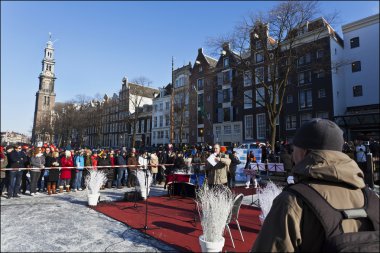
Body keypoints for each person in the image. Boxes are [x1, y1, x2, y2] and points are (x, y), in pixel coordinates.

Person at [251, 118, 379, 252]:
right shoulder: (372, 198)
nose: (292, 155)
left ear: (304, 152)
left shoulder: (292, 202)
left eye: (294, 149)